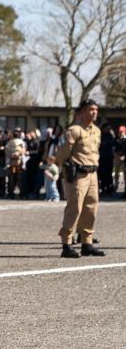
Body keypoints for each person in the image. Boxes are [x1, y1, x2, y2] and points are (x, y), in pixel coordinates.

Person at [57, 99, 105, 258]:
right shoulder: (74, 130)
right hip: (78, 175)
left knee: (91, 208)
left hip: (93, 174)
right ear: (82, 112)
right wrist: (65, 171)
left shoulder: (97, 131)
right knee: (74, 208)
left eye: (96, 109)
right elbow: (63, 154)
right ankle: (67, 244)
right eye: (91, 109)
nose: (94, 112)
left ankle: (87, 243)